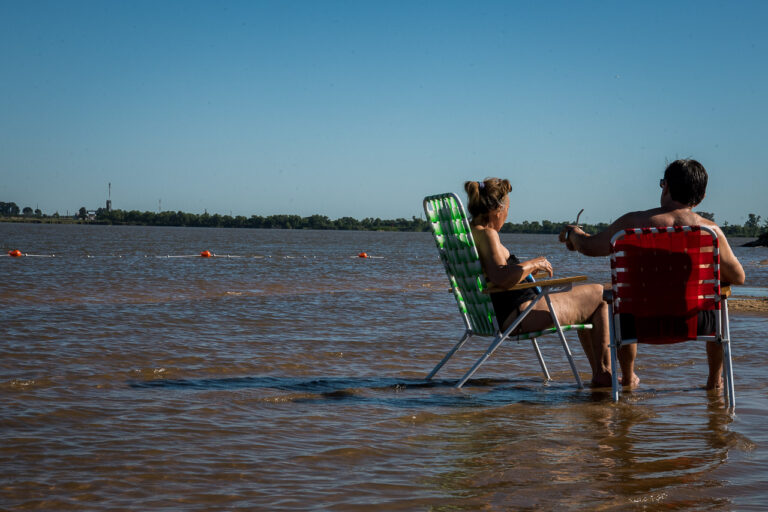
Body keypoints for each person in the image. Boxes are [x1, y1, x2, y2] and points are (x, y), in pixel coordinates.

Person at [559, 159, 745, 390]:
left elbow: (589, 247)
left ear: (665, 186)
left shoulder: (632, 224)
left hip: (638, 323)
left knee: (623, 303)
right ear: (702, 196)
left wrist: (573, 235)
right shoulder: (710, 232)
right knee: (717, 305)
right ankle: (714, 381)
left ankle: (627, 379)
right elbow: (738, 277)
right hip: (695, 322)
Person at [465, 178, 613, 387]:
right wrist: (535, 264)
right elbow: (501, 277)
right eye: (507, 208)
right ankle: (603, 373)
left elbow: (498, 276)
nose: (507, 215)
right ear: (498, 210)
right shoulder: (487, 234)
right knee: (600, 295)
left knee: (594, 302)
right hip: (519, 314)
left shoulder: (471, 232)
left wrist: (527, 269)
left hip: (506, 313)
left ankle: (602, 374)